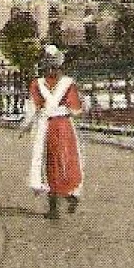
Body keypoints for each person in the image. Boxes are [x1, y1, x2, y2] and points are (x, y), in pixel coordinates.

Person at [19, 44, 83, 219]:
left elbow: (32, 108)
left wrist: (25, 126)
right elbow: (76, 109)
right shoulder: (67, 83)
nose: (53, 69)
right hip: (62, 126)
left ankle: (57, 204)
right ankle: (68, 195)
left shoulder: (38, 84)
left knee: (50, 162)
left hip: (50, 126)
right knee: (63, 161)